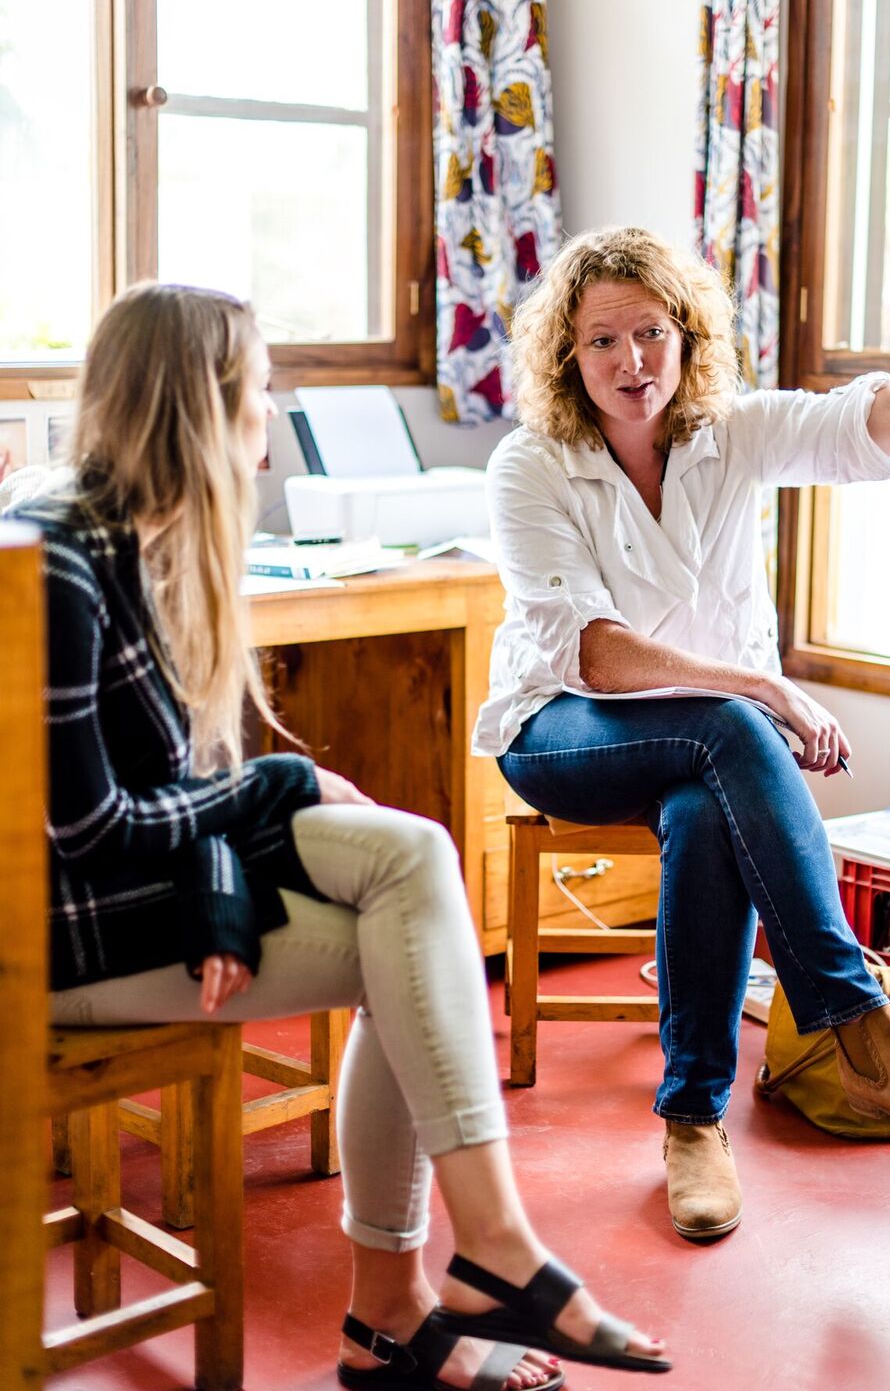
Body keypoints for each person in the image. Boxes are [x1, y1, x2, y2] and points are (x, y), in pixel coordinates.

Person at [15, 282, 671, 1389]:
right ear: (204, 405)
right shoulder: (62, 564)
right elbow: (87, 827)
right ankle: (443, 1281)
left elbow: (186, 785)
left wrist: (229, 878)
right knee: (399, 913)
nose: (270, 420)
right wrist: (282, 784)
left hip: (137, 896)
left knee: (416, 863)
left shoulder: (151, 543)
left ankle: (430, 1290)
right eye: (260, 392)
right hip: (61, 939)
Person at [475, 225, 890, 1244]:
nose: (631, 362)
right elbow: (600, 657)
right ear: (569, 357)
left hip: (705, 745)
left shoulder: (731, 431)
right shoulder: (529, 465)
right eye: (603, 341)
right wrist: (764, 685)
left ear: (688, 335)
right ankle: (857, 1026)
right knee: (730, 724)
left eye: (651, 332)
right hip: (562, 730)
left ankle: (693, 1123)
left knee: (710, 798)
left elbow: (878, 426)